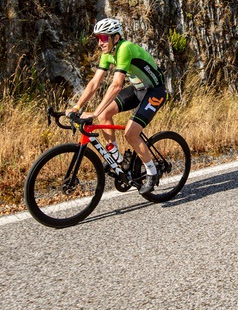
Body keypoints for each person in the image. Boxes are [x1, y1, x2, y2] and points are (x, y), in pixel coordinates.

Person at [67, 18, 167, 195]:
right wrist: (77, 107)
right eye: (98, 38)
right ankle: (117, 159)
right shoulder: (107, 53)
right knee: (105, 115)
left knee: (131, 133)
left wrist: (94, 112)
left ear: (116, 37)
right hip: (138, 89)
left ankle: (152, 173)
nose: (100, 43)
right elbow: (94, 83)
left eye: (104, 38)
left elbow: (116, 85)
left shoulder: (124, 48)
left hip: (154, 91)